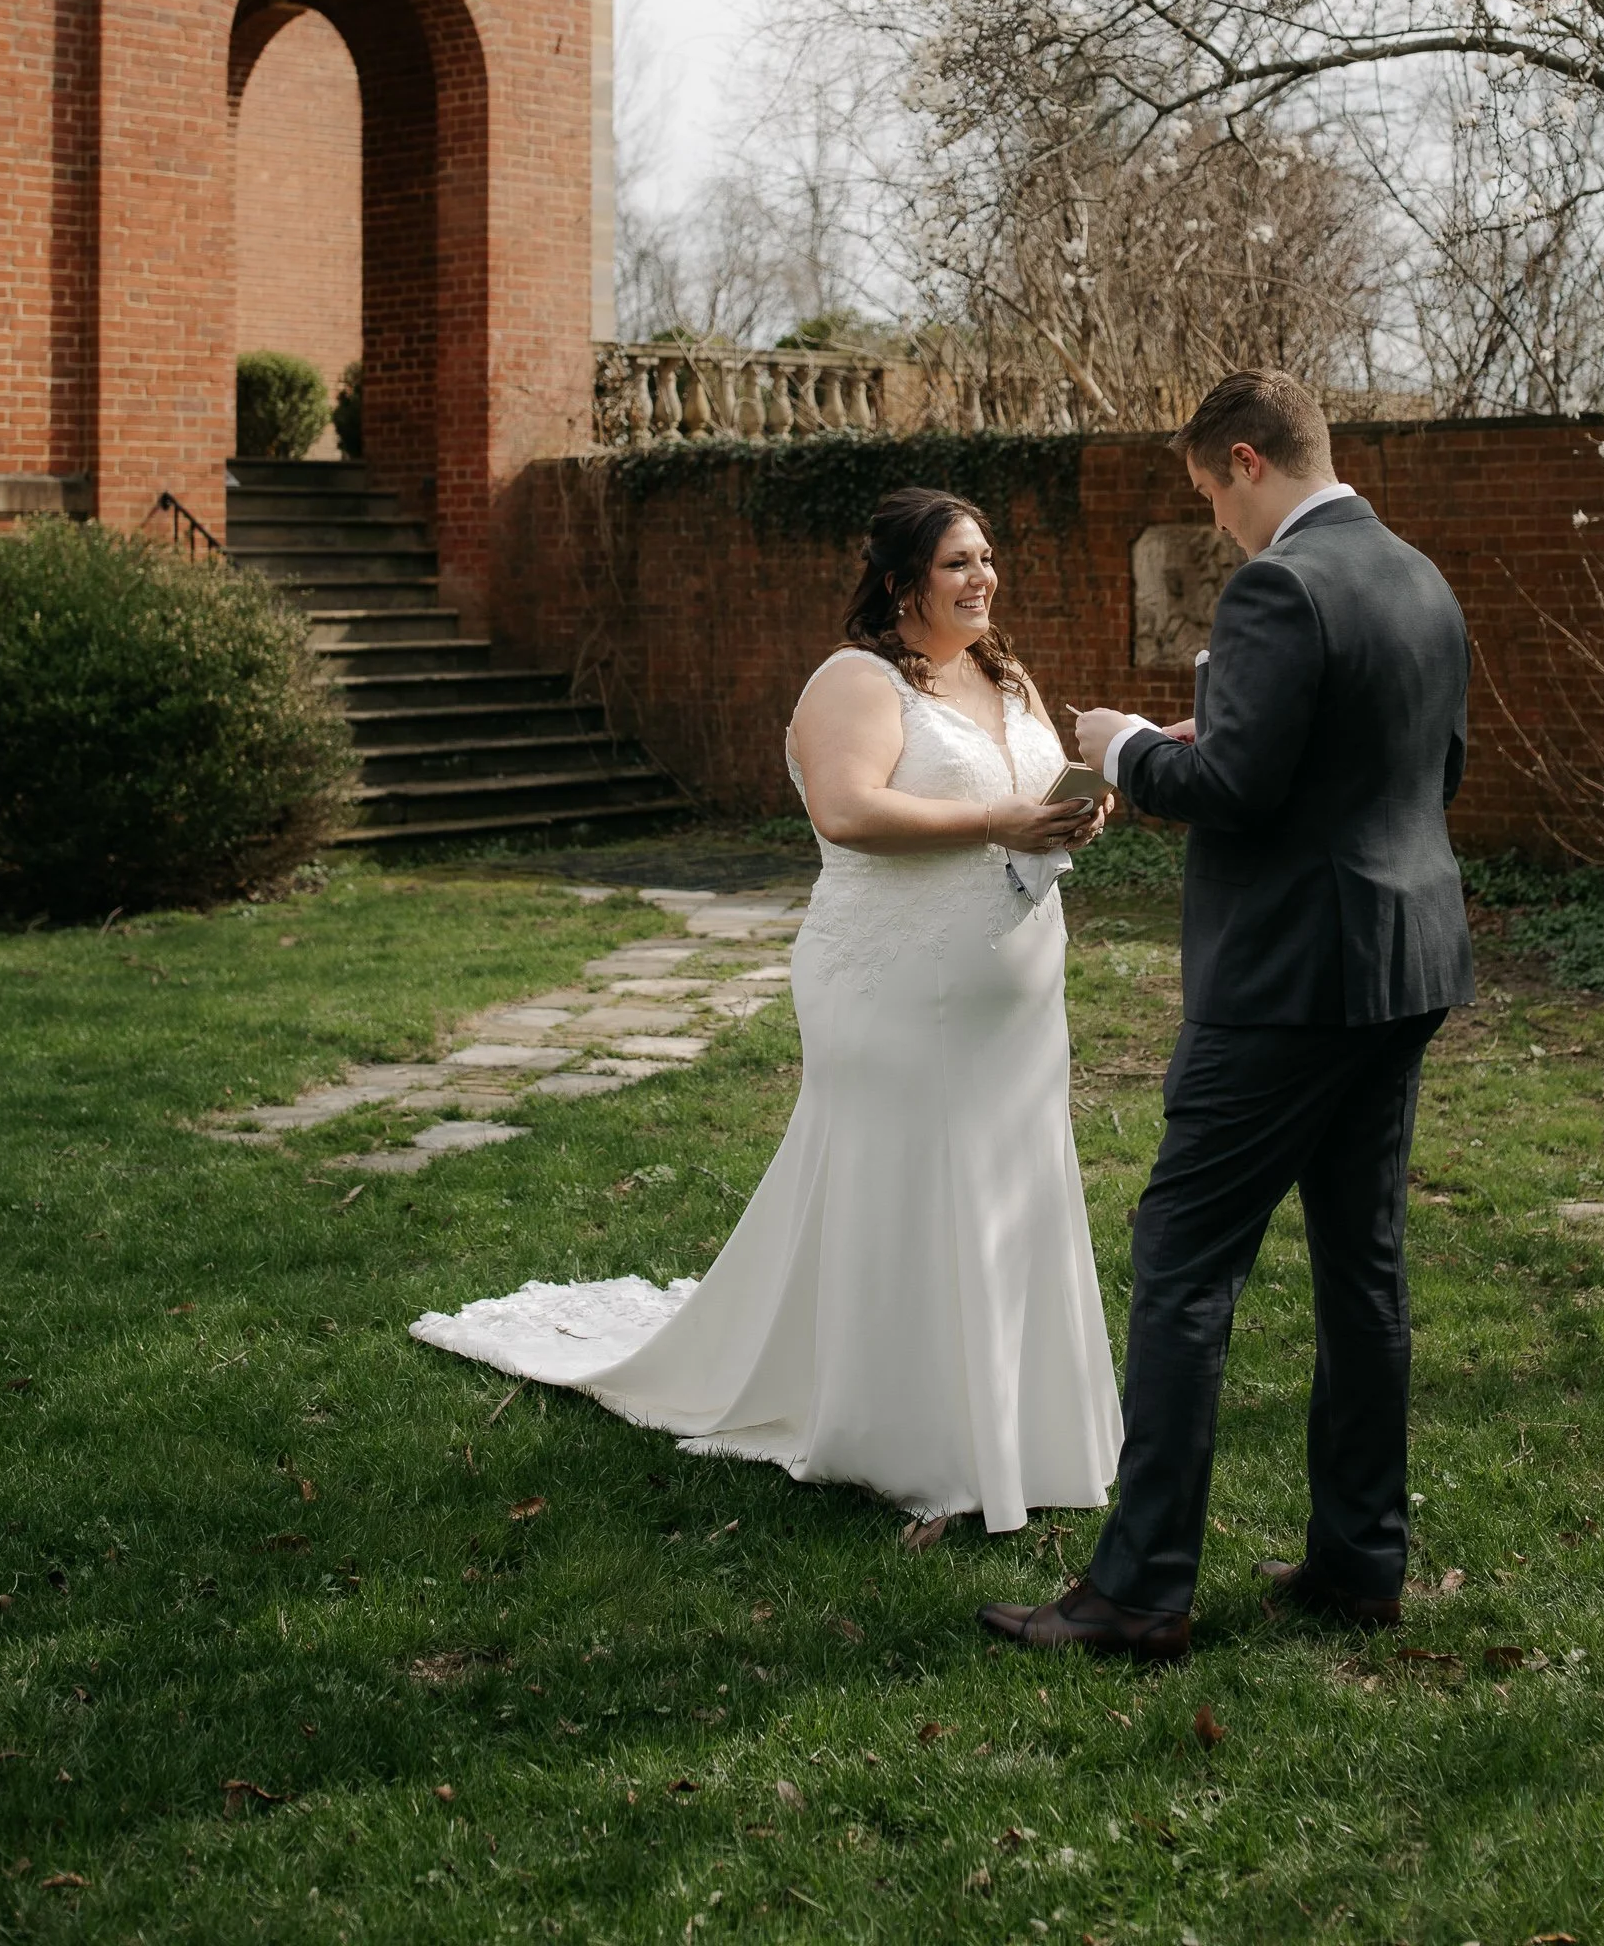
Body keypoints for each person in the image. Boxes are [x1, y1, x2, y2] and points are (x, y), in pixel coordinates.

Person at [412, 486, 1123, 1534]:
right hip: (890, 984)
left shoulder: (1001, 672)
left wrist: (1071, 813)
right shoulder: (855, 681)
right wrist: (996, 821)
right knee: (907, 1184)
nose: (984, 579)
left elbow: (1024, 797)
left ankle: (1021, 1421)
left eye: (986, 558)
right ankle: (903, 1431)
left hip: (1010, 992)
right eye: (958, 564)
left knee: (1006, 1184)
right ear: (899, 582)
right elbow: (849, 810)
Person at [979, 370, 1473, 1662]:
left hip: (1287, 985)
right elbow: (1423, 767)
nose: (1220, 530)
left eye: (1211, 498)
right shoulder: (1418, 576)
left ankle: (1140, 1590)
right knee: (1363, 1268)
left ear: (1247, 462)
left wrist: (1129, 743)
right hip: (1405, 965)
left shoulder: (1278, 586)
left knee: (1186, 1261)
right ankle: (1363, 1561)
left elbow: (1237, 790)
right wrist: (1231, 738)